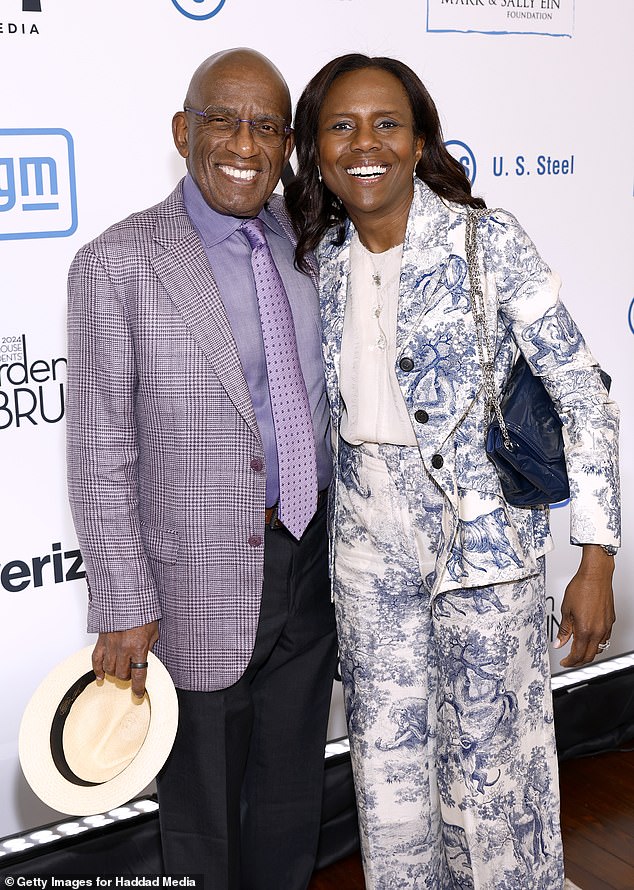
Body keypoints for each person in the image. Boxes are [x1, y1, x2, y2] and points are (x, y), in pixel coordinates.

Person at [285, 53, 620, 889]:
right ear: (317, 150)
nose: (366, 144)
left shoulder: (486, 238)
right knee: (388, 780)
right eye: (340, 126)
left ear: (421, 137)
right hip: (368, 555)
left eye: (386, 123)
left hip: (483, 552)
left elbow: (583, 392)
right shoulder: (318, 257)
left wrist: (598, 555)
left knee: (494, 778)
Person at [66, 47, 337, 890]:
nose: (244, 144)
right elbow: (99, 446)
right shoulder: (118, 261)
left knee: (293, 793)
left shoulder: (311, 243)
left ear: (287, 144)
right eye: (222, 118)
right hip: (193, 585)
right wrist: (122, 602)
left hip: (311, 559)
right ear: (184, 131)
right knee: (203, 814)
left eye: (266, 126)